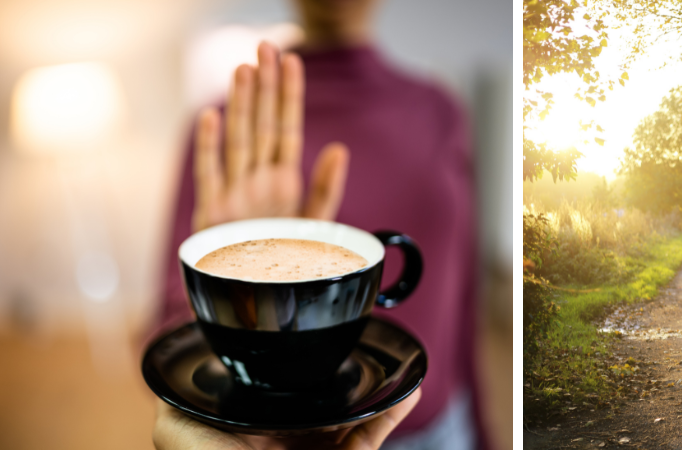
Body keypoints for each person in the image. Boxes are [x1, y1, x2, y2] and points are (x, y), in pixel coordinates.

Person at [151, 0, 485, 448]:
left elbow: (464, 299)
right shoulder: (227, 126)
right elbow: (164, 323)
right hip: (281, 439)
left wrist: (486, 433)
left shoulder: (441, 112)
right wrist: (232, 281)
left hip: (440, 431)